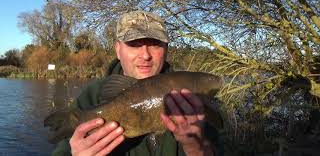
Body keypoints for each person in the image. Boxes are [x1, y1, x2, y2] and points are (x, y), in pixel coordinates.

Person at [52, 11, 223, 156]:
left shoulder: (191, 97)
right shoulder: (92, 97)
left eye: (155, 44)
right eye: (134, 44)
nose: (146, 55)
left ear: (166, 49)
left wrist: (197, 149)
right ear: (118, 50)